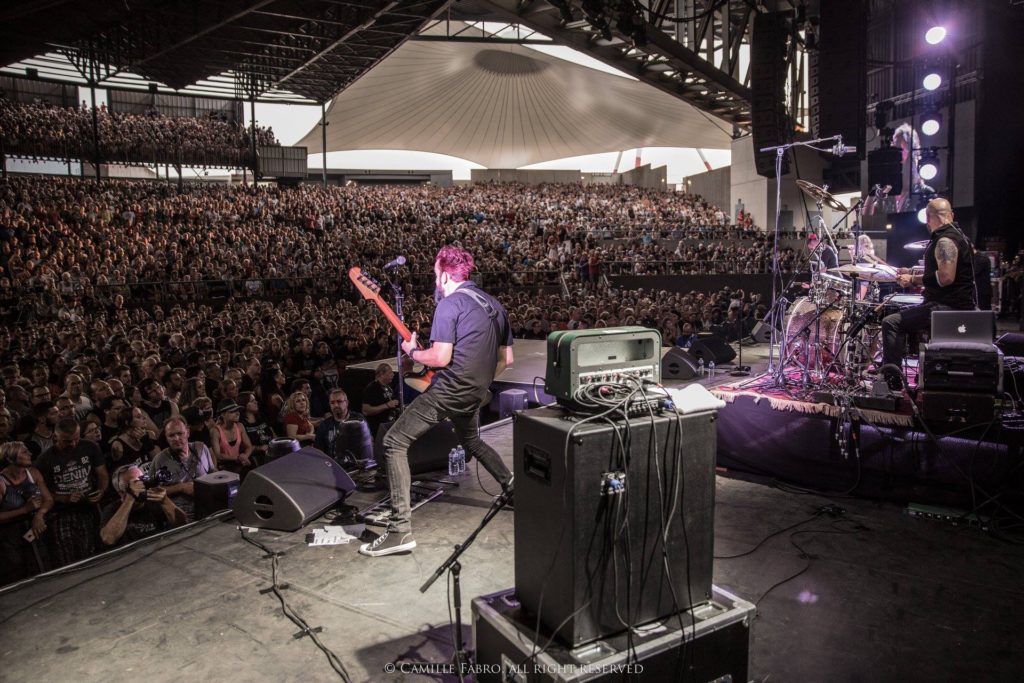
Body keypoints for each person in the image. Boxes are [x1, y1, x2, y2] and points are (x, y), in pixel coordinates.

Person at [361, 245, 514, 557]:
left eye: (435, 275)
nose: (435, 281)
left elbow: (440, 358)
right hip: (474, 392)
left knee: (394, 442)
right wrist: (478, 380)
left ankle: (400, 531)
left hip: (449, 390)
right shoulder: (494, 304)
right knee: (471, 442)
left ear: (444, 274)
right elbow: (507, 359)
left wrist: (413, 352)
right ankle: (512, 487)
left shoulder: (450, 304)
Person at [881, 198, 977, 389]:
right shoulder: (958, 236)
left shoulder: (944, 240)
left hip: (948, 307)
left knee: (891, 322)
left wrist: (913, 280)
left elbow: (946, 277)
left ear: (927, 218)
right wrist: (911, 272)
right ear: (951, 215)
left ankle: (892, 382)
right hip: (957, 304)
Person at [34, 418, 109, 567]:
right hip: (61, 514)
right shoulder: (45, 459)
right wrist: (64, 498)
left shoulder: (89, 447)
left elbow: (102, 474)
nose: (73, 444)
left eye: (76, 439)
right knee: (67, 556)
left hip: (87, 508)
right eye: (67, 441)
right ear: (56, 437)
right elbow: (42, 492)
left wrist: (101, 491)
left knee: (92, 550)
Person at [0, 441, 53, 584]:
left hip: (35, 528)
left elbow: (48, 499)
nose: (29, 454)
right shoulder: (2, 482)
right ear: (10, 459)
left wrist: (39, 514)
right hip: (10, 537)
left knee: (43, 564)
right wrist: (24, 509)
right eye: (24, 452)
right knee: (17, 572)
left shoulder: (33, 473)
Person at [99, 464, 186, 547]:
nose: (142, 486)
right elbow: (108, 539)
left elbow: (183, 524)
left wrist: (165, 501)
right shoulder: (112, 509)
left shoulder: (153, 501)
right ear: (121, 492)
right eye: (135, 483)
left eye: (142, 480)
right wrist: (129, 499)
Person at [151, 417, 216, 522]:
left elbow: (212, 472)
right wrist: (181, 487)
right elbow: (154, 492)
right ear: (166, 438)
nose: (176, 438)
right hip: (180, 518)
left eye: (180, 433)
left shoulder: (201, 448)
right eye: (171, 435)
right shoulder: (160, 460)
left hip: (207, 511)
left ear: (188, 432)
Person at [315, 389, 372, 468]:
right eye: (332, 403)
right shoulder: (325, 425)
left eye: (339, 401)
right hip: (333, 468)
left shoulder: (358, 419)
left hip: (358, 466)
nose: (336, 405)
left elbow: (369, 443)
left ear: (346, 403)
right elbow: (319, 450)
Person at [209, 399, 253, 474]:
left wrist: (245, 456)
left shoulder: (240, 426)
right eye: (233, 411)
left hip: (239, 464)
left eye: (238, 410)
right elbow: (218, 455)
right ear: (223, 414)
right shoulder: (215, 431)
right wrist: (239, 458)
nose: (237, 413)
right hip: (224, 468)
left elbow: (249, 446)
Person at [361, 363, 400, 437]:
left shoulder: (388, 386)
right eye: (390, 372)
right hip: (377, 429)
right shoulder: (372, 388)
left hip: (389, 426)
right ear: (382, 374)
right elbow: (365, 410)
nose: (393, 374)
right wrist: (387, 405)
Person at [238, 391, 274, 465]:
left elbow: (272, 433)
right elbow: (242, 446)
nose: (256, 402)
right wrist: (259, 448)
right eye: (252, 401)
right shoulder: (241, 423)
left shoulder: (261, 416)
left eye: (255, 400)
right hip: (256, 455)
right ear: (244, 405)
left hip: (271, 449)